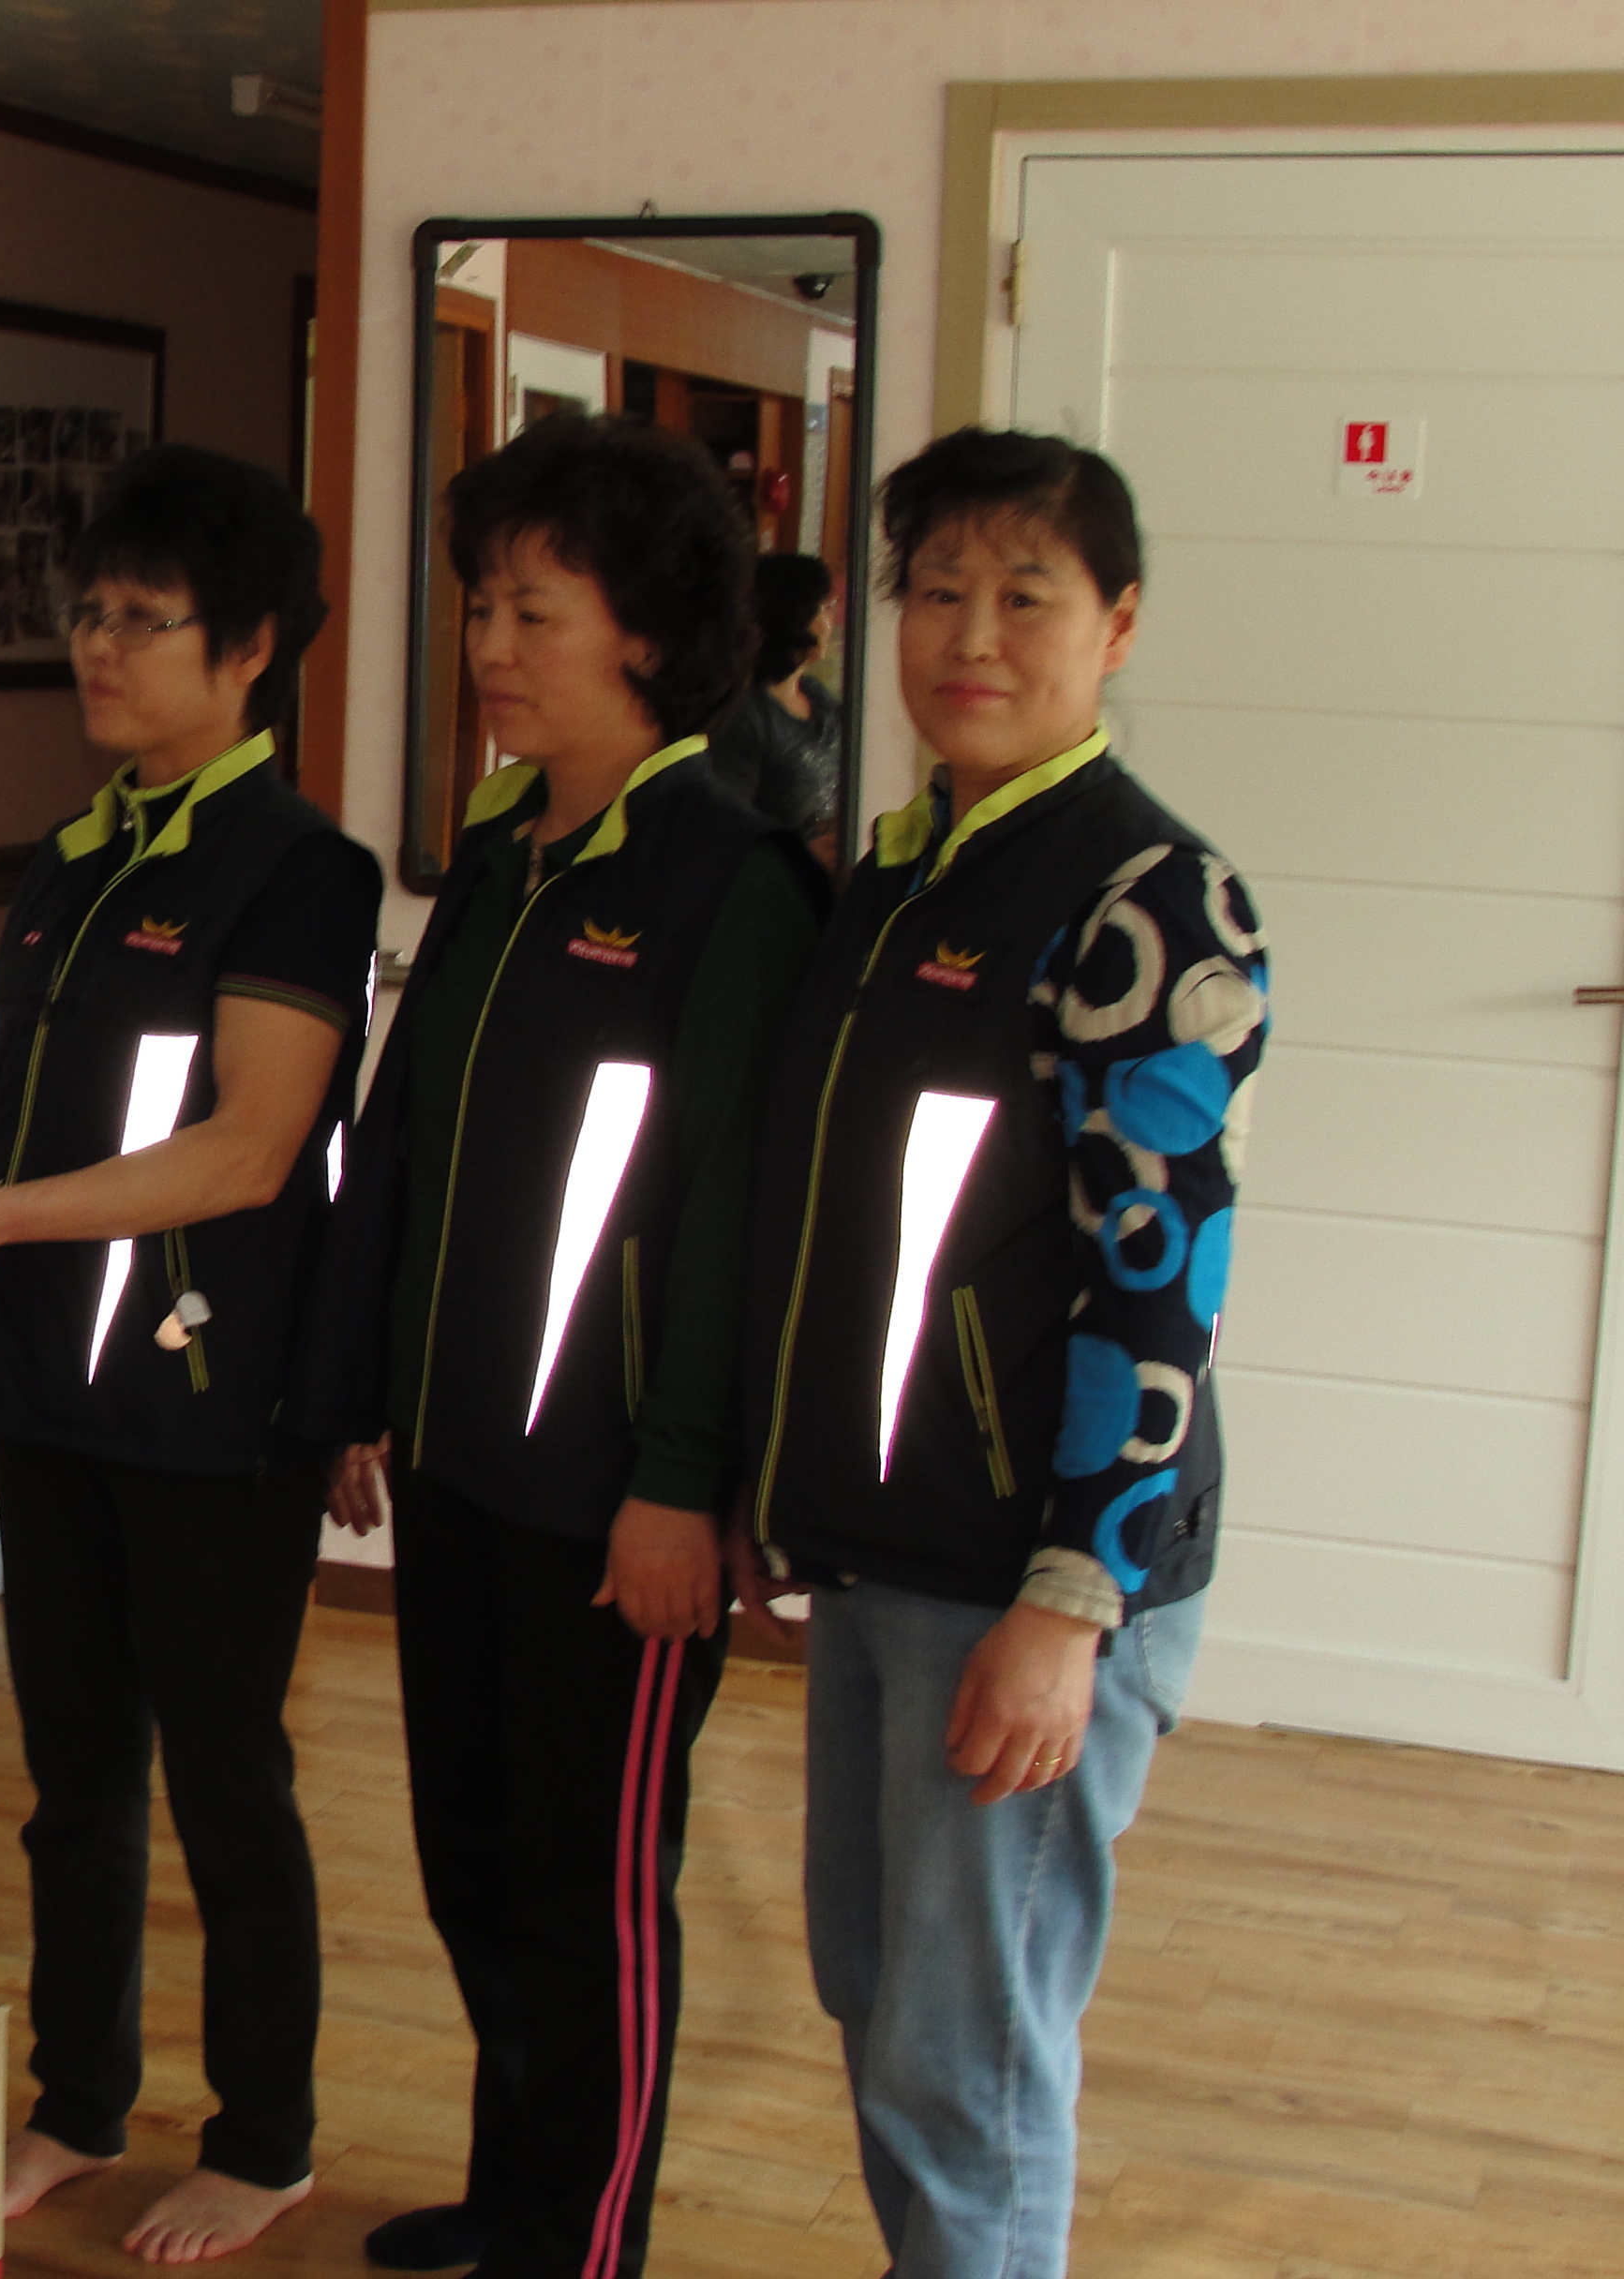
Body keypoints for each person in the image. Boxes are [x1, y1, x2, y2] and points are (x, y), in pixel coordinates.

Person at [0, 444, 380, 2262]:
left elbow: (248, 1147)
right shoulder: (78, 852)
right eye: (89, 613)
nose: (99, 648)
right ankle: (76, 2100)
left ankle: (263, 2139)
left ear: (251, 648)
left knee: (224, 1779)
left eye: (146, 619)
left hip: (210, 1401)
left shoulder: (299, 872)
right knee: (74, 1781)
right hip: (48, 1377)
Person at [287, 415, 827, 2279]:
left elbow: (733, 1215)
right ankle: (517, 2190)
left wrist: (682, 1483)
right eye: (479, 607)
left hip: (613, 1504)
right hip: (460, 1464)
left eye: (534, 610)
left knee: (590, 1897)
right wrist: (357, 1391)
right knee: (476, 1859)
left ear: (649, 634)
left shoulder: (730, 885)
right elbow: (403, 1148)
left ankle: (583, 2243)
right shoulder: (504, 861)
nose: (490, 647)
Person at [738, 429, 1264, 2279]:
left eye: (1023, 594)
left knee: (969, 2054)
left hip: (1032, 1567)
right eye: (936, 590)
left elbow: (1161, 1282)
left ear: (1115, 625)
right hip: (888, 1540)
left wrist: (1072, 1594)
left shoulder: (1148, 896)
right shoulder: (898, 877)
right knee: (880, 1993)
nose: (970, 634)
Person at [699, 551, 843, 860]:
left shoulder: (820, 698)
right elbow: (722, 836)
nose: (831, 619)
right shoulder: (745, 717)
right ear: (795, 617)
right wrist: (803, 857)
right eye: (823, 608)